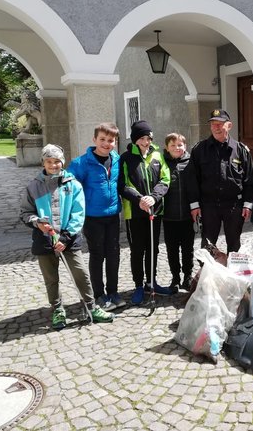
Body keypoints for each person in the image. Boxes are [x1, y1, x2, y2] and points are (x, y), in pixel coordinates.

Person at [20, 144, 115, 329]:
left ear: (62, 163)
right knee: (51, 279)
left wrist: (65, 238)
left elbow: (78, 213)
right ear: (43, 162)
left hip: (68, 239)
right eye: (49, 161)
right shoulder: (33, 186)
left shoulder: (73, 185)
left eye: (57, 161)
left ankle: (91, 307)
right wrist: (37, 222)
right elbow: (25, 213)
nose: (53, 165)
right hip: (44, 240)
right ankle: (57, 310)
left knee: (81, 274)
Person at [68, 122, 125, 311]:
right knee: (97, 255)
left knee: (114, 254)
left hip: (113, 215)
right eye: (102, 139)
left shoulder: (117, 160)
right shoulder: (81, 163)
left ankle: (114, 293)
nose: (106, 144)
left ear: (115, 142)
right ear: (94, 140)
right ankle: (99, 295)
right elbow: (68, 187)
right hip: (92, 218)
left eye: (110, 140)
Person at [118, 120, 174, 305]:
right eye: (142, 138)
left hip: (155, 210)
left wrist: (154, 197)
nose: (145, 141)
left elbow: (165, 179)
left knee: (153, 248)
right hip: (135, 212)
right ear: (135, 140)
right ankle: (138, 285)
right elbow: (123, 185)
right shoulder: (126, 158)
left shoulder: (158, 155)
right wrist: (139, 199)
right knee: (137, 250)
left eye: (148, 138)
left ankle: (152, 281)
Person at [186, 109, 253, 252]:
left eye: (220, 124)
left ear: (229, 126)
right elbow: (192, 179)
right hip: (209, 205)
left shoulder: (240, 150)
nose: (216, 127)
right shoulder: (199, 150)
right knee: (207, 245)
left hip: (233, 205)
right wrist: (194, 205)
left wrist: (247, 204)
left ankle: (231, 273)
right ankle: (207, 273)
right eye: (213, 124)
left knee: (234, 245)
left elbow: (249, 179)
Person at [162, 132, 195, 291]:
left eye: (180, 145)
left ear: (185, 146)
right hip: (169, 216)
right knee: (172, 249)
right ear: (167, 148)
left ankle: (187, 276)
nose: (177, 148)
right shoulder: (162, 163)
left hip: (188, 216)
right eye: (173, 145)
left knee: (188, 248)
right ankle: (175, 277)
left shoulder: (190, 162)